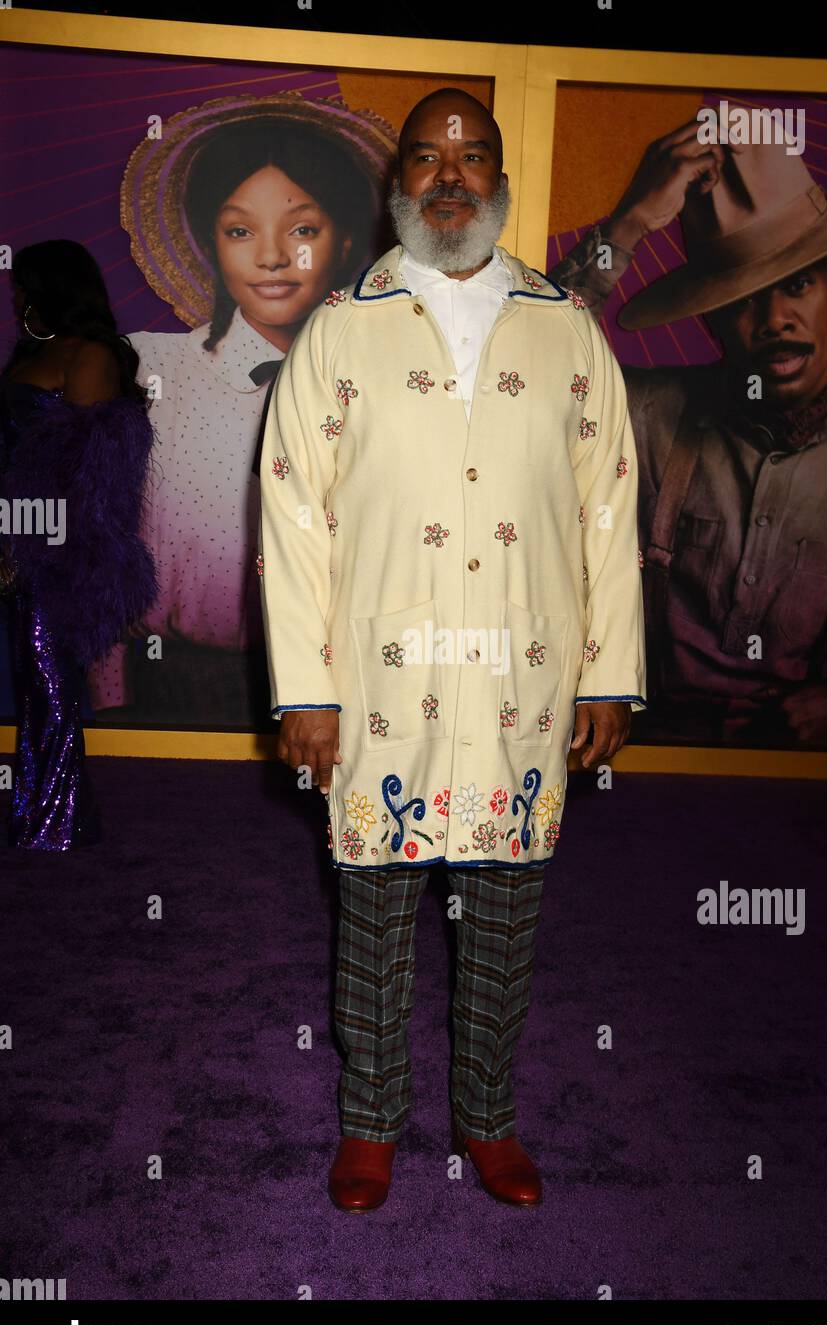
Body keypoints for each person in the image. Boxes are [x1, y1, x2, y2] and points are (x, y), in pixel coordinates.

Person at [258, 89, 646, 1210]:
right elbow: (290, 517)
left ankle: (489, 1119)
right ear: (398, 181)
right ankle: (372, 1121)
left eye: (473, 156)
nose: (450, 176)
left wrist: (611, 669)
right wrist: (307, 691)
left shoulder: (565, 324)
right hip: (383, 681)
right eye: (427, 156)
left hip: (524, 678)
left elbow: (610, 502)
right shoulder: (342, 326)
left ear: (501, 177)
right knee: (373, 899)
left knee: (508, 906)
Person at [551, 114, 827, 749]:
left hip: (822, 802)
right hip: (645, 778)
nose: (775, 320)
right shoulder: (647, 416)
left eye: (797, 284)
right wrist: (630, 224)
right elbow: (529, 376)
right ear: (710, 319)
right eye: (742, 299)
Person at [87, 94, 396, 728]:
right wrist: (110, 701)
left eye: (303, 229)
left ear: (344, 243)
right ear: (212, 242)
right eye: (240, 230)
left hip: (345, 692)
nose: (273, 256)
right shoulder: (148, 369)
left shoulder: (388, 384)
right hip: (174, 688)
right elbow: (103, 540)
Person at [0, 241, 157, 849]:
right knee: (30, 672)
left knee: (49, 673)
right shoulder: (31, 351)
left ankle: (55, 821)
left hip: (57, 548)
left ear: (56, 288)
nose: (16, 297)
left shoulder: (91, 355)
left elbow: (84, 471)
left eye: (26, 286)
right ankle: (44, 810)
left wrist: (31, 542)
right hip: (16, 534)